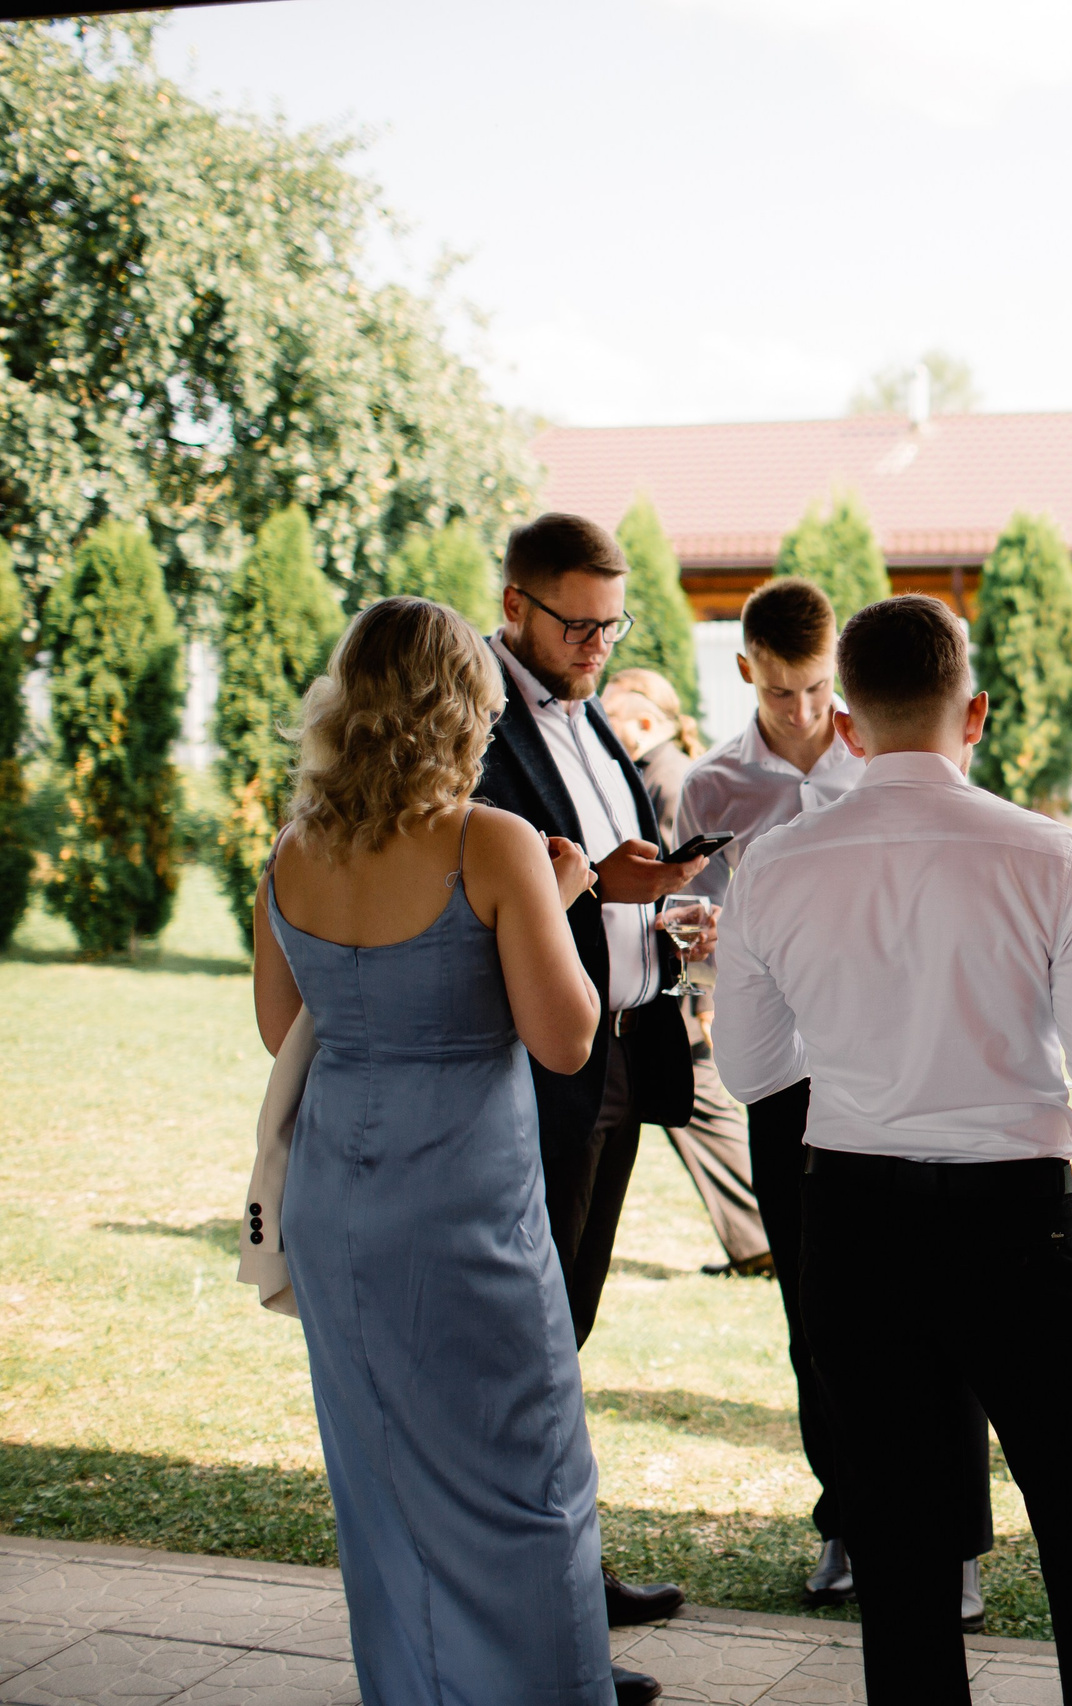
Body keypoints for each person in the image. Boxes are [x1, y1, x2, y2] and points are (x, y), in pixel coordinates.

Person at [715, 595, 1072, 1705]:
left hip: (854, 1226)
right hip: (1016, 1221)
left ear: (849, 726)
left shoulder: (771, 867)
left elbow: (750, 1067)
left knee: (903, 1566)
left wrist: (867, 1027)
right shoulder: (1051, 856)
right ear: (978, 713)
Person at [251, 597, 660, 1706]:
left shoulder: (295, 849)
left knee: (381, 1475)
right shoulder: (491, 839)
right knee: (524, 1468)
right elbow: (566, 1037)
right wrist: (559, 899)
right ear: (462, 706)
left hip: (338, 1200)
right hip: (462, 1202)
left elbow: (280, 1027)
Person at [674, 578, 997, 1623]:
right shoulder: (711, 787)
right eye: (780, 692)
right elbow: (681, 910)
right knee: (817, 1313)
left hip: (901, 1063)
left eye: (818, 690)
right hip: (780, 1077)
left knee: (939, 1308)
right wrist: (696, 933)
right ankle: (847, 1520)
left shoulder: (890, 752)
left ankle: (953, 1544)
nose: (804, 712)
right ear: (746, 674)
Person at [472, 512, 708, 1630]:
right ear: (514, 603)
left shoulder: (600, 724)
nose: (598, 647)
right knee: (530, 1330)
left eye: (612, 626)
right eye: (577, 624)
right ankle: (540, 1581)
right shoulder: (468, 724)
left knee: (569, 1320)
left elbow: (610, 872)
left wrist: (661, 905)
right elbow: (478, 895)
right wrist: (595, 888)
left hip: (622, 1045)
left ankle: (565, 1560)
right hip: (531, 1060)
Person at [600, 667, 770, 1281]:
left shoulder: (667, 779)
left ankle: (763, 1237)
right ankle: (758, 1238)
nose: (600, 720)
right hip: (673, 970)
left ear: (646, 723)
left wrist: (702, 993)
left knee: (699, 1099)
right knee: (695, 1103)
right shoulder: (655, 774)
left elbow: (693, 890)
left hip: (678, 973)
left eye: (612, 713)